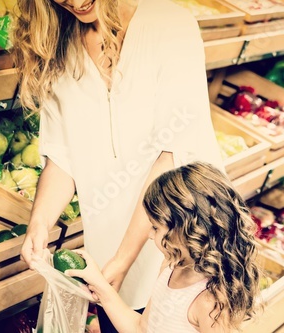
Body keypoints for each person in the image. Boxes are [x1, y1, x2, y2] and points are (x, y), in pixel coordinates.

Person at [13, 0, 225, 331]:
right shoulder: (59, 48)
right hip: (110, 264)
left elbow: (171, 156)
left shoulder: (170, 25)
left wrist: (123, 260)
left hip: (186, 256)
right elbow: (62, 155)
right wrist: (39, 224)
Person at [66, 162, 263, 332]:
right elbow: (141, 328)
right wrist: (99, 286)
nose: (150, 235)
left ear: (186, 229)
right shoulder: (171, 267)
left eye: (155, 227)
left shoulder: (211, 302)